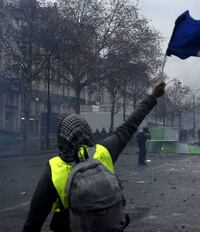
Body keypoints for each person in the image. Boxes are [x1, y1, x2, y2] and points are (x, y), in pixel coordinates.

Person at [21, 82, 165, 232]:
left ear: (62, 138)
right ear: (87, 132)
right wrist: (152, 96)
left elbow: (33, 222)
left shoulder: (54, 168)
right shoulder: (103, 152)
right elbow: (129, 125)